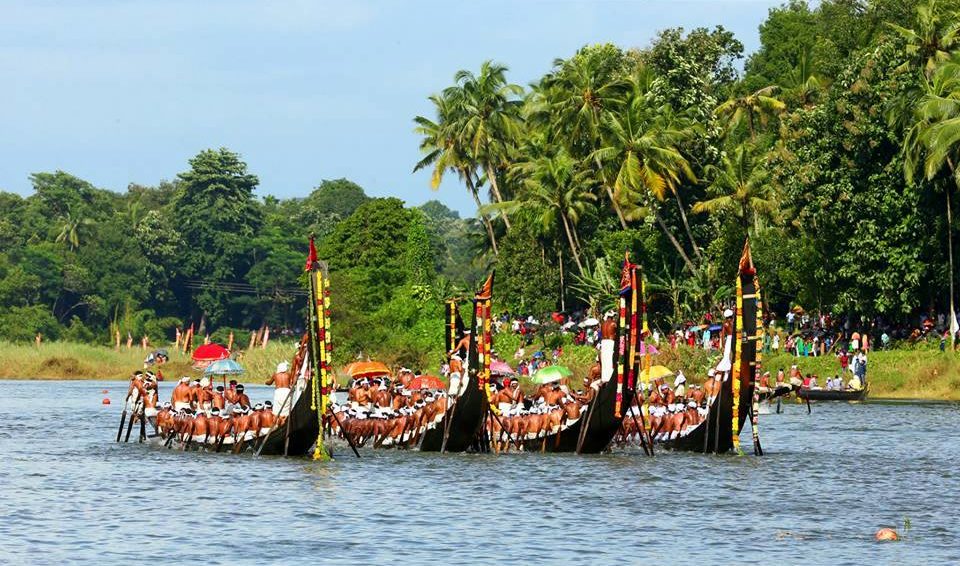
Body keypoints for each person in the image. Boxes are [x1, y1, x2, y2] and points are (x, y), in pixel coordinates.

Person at [600, 311, 617, 383]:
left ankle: (605, 379)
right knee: (611, 362)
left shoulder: (602, 324)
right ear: (612, 316)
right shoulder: (614, 323)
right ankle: (611, 379)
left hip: (603, 343)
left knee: (605, 363)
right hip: (610, 342)